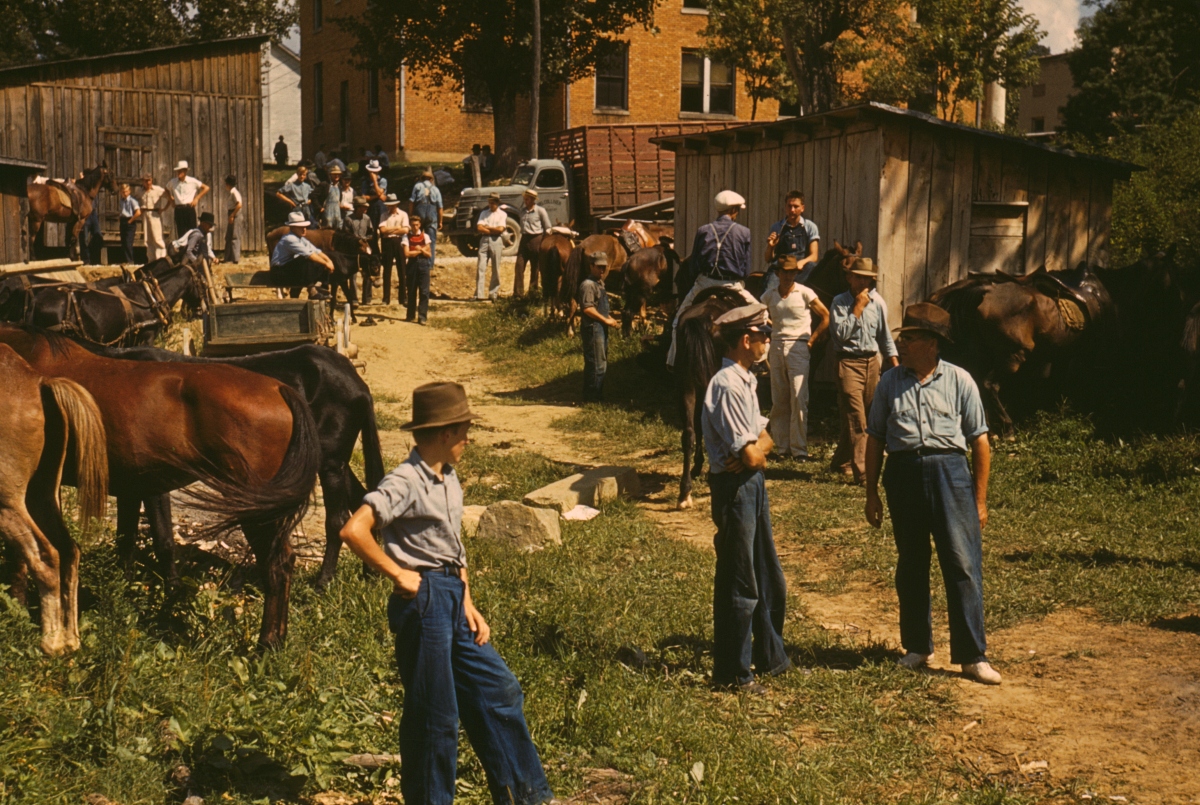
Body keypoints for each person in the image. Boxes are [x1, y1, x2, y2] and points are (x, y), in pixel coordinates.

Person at [338, 382, 557, 805]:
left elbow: (452, 543)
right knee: (435, 717)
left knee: (500, 690)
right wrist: (398, 574)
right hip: (425, 603)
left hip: (453, 598)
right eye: (462, 431)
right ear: (443, 434)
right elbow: (354, 529)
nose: (467, 440)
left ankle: (527, 797)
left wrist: (468, 601)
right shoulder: (405, 480)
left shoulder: (449, 478)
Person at [865, 303, 1001, 686]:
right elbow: (875, 438)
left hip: (950, 474)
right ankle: (917, 647)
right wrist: (871, 492)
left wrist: (980, 500)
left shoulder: (960, 381)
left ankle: (973, 655)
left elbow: (980, 441)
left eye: (908, 338)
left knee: (962, 563)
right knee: (911, 563)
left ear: (931, 343)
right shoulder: (890, 382)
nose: (901, 344)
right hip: (903, 474)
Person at [701, 303, 790, 695]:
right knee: (741, 581)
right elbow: (753, 453)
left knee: (768, 575)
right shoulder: (726, 384)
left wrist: (756, 451)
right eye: (763, 336)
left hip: (751, 484)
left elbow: (768, 439)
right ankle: (733, 672)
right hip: (734, 489)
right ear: (745, 340)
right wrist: (754, 452)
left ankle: (772, 657)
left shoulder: (747, 380)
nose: (767, 342)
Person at [667, 190, 758, 366]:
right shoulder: (744, 232)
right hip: (731, 284)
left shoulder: (703, 230)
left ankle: (672, 359)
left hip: (705, 283)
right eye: (737, 209)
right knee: (760, 313)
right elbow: (746, 270)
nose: (738, 213)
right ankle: (760, 360)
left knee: (678, 319)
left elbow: (694, 265)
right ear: (732, 209)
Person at [829, 258, 899, 484]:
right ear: (849, 277)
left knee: (867, 415)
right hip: (848, 363)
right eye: (858, 276)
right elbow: (840, 335)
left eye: (867, 278)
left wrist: (895, 365)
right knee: (857, 418)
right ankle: (864, 473)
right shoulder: (839, 303)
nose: (863, 282)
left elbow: (884, 337)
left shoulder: (878, 302)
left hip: (872, 363)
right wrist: (857, 309)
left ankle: (841, 460)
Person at [760, 254, 830, 459]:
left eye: (791, 272)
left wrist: (811, 341)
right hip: (777, 347)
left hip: (799, 347)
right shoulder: (770, 295)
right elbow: (758, 315)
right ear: (778, 273)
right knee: (779, 398)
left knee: (799, 398)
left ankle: (799, 449)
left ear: (796, 274)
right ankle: (782, 448)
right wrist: (771, 332)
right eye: (784, 272)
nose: (787, 276)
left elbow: (826, 316)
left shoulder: (805, 292)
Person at [579, 252, 620, 401]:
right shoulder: (588, 285)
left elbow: (598, 307)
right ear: (591, 266)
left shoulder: (599, 284)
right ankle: (593, 398)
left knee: (600, 361)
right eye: (598, 267)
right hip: (593, 328)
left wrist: (609, 318)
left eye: (604, 267)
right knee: (597, 364)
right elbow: (588, 309)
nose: (602, 271)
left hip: (600, 326)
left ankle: (593, 395)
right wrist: (605, 320)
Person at [763, 190, 820, 293]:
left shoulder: (810, 226)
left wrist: (801, 263)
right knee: (769, 293)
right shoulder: (777, 227)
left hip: (801, 269)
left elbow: (814, 256)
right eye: (789, 206)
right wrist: (770, 246)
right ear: (785, 207)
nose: (792, 210)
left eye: (796, 206)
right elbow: (768, 259)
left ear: (802, 208)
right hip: (781, 268)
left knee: (816, 280)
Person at [270, 210, 335, 298]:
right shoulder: (290, 239)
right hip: (279, 273)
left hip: (288, 270)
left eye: (305, 226)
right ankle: (313, 290)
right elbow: (309, 255)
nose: (304, 229)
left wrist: (329, 261)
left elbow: (316, 251)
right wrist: (326, 263)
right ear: (292, 228)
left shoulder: (301, 239)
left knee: (320, 260)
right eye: (300, 227)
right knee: (306, 260)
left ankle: (320, 288)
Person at [514, 189, 552, 297]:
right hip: (524, 239)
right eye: (524, 198)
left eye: (527, 199)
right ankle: (518, 293)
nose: (525, 200)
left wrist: (544, 242)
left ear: (533, 199)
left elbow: (548, 227)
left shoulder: (540, 211)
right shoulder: (522, 211)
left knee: (535, 267)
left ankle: (533, 293)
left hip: (536, 239)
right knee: (519, 266)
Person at [343, 196, 378, 304]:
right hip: (352, 249)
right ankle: (354, 299)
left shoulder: (367, 218)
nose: (365, 209)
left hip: (364, 248)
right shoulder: (348, 219)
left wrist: (366, 239)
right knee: (352, 275)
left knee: (367, 272)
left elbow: (371, 233)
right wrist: (355, 239)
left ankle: (367, 298)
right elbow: (345, 235)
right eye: (363, 207)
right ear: (357, 208)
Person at [379, 193, 410, 306]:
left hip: (399, 242)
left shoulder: (403, 214)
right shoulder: (384, 215)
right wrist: (397, 228)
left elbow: (405, 230)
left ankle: (403, 297)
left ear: (396, 204)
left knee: (402, 269)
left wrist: (391, 230)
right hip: (387, 243)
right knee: (387, 270)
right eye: (389, 205)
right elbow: (382, 230)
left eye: (392, 205)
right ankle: (386, 298)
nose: (390, 207)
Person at [475, 192, 506, 301]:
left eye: (492, 203)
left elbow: (500, 229)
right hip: (484, 240)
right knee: (481, 267)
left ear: (497, 203)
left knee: (495, 267)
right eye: (489, 202)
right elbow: (479, 227)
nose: (490, 205)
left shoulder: (502, 214)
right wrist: (492, 229)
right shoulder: (484, 213)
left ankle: (493, 293)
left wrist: (488, 227)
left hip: (496, 240)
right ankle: (479, 294)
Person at [403, 216, 434, 325]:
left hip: (423, 264)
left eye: (417, 225)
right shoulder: (406, 237)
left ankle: (422, 316)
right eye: (413, 225)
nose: (415, 227)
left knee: (424, 291)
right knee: (411, 290)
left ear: (420, 225)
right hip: (412, 264)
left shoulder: (425, 236)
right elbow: (407, 253)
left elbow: (429, 254)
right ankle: (410, 315)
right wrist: (422, 250)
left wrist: (419, 249)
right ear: (410, 225)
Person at [166, 160, 209, 239]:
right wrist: (171, 200)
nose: (179, 173)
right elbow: (166, 189)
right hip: (178, 209)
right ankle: (183, 250)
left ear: (185, 171)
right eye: (178, 171)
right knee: (180, 232)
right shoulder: (173, 182)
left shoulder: (192, 181)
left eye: (181, 171)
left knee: (192, 231)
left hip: (189, 208)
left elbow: (206, 188)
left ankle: (192, 250)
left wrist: (196, 198)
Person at [409, 168, 444, 260]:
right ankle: (429, 264)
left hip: (419, 212)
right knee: (431, 239)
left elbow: (411, 202)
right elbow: (440, 207)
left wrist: (411, 216)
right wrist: (440, 221)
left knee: (416, 236)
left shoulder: (417, 186)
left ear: (422, 178)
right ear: (432, 179)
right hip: (431, 214)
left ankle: (416, 258)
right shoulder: (436, 189)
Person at [140, 174, 169, 261]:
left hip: (155, 213)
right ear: (143, 181)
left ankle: (161, 259)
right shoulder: (140, 191)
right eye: (145, 181)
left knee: (157, 237)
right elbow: (133, 200)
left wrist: (164, 209)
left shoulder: (158, 189)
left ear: (152, 180)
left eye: (149, 180)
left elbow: (170, 198)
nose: (148, 182)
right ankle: (151, 260)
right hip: (145, 214)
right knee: (148, 239)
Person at [117, 182, 142, 265]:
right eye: (123, 192)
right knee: (123, 242)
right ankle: (125, 260)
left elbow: (138, 212)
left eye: (126, 191)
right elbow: (121, 211)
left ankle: (130, 261)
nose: (125, 193)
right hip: (123, 221)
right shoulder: (121, 201)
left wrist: (130, 221)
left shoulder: (132, 201)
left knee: (128, 242)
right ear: (121, 192)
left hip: (130, 221)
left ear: (129, 191)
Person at [223, 174, 243, 264]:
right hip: (231, 213)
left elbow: (239, 204)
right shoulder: (231, 192)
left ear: (228, 184)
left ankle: (235, 258)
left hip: (235, 214)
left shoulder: (235, 192)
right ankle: (228, 257)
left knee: (235, 236)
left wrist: (232, 215)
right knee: (229, 236)